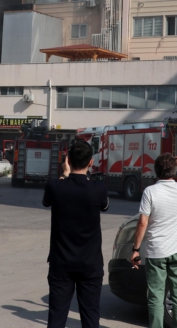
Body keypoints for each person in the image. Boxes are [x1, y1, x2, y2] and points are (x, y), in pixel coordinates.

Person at [42, 139, 109, 328]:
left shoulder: (56, 186)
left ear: (68, 161)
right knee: (90, 316)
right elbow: (105, 206)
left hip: (61, 263)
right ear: (91, 163)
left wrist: (64, 175)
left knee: (57, 315)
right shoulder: (98, 188)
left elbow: (46, 202)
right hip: (90, 264)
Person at [131, 154, 177, 328]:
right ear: (174, 171)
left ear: (156, 171)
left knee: (155, 296)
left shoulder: (150, 192)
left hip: (156, 252)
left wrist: (136, 249)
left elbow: (142, 223)